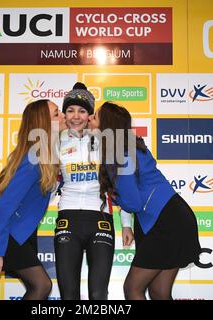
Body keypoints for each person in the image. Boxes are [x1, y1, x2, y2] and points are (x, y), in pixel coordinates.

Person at [88, 101, 202, 300]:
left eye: (95, 116)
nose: (89, 118)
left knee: (133, 289)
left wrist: (114, 197)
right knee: (159, 292)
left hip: (166, 223)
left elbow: (133, 203)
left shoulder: (118, 153)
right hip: (172, 218)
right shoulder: (127, 147)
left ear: (106, 125)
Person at [0, 99, 66, 300]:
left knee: (39, 286)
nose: (63, 116)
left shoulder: (46, 154)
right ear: (43, 123)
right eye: (56, 113)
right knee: (41, 285)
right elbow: (5, 206)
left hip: (19, 231)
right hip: (5, 230)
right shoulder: (34, 159)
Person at [54, 83, 133, 300]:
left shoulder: (104, 140)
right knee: (68, 295)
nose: (76, 116)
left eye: (82, 111)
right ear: (64, 114)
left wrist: (126, 223)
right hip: (68, 217)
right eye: (70, 110)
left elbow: (119, 185)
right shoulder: (55, 141)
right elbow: (46, 184)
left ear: (90, 115)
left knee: (98, 294)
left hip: (101, 218)